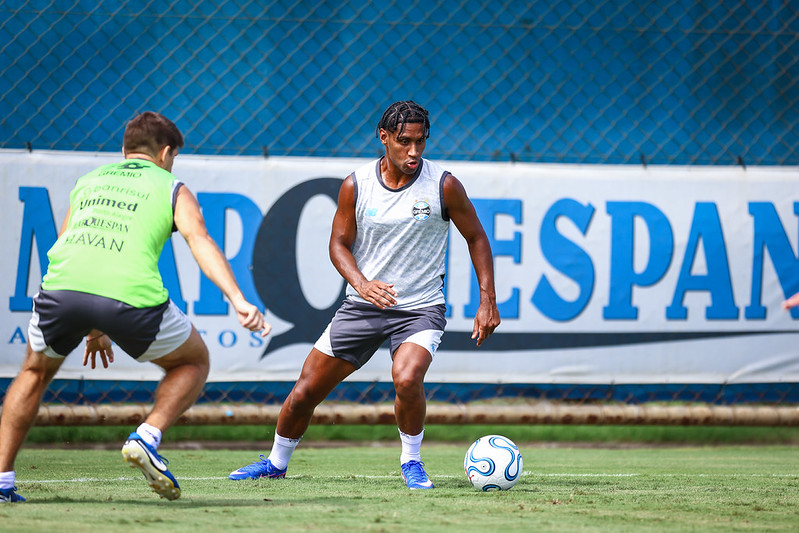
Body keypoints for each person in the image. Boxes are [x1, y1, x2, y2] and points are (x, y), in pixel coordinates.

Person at [0, 111, 270, 503]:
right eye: (173, 157)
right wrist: (238, 299)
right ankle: (147, 436)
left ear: (125, 149)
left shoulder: (88, 183)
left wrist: (92, 327)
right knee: (193, 362)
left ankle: (2, 481)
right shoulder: (172, 186)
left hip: (61, 289)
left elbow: (65, 246)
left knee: (34, 372)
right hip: (128, 296)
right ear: (164, 153)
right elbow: (200, 241)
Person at [228, 101, 499, 489]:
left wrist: (487, 298)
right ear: (383, 137)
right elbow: (338, 244)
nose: (414, 152)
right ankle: (275, 462)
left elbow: (476, 237)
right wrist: (362, 284)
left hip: (420, 308)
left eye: (421, 142)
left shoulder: (444, 185)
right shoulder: (357, 184)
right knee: (305, 391)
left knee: (407, 379)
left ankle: (411, 461)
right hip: (363, 305)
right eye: (404, 142)